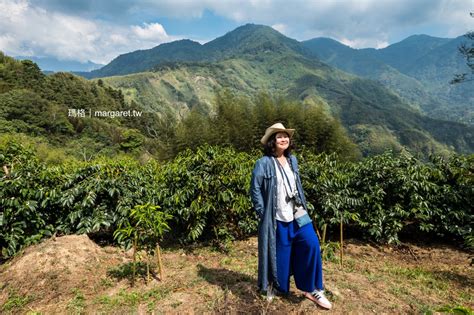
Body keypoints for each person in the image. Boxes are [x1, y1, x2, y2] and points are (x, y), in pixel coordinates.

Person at [250, 122, 332, 310]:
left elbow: (297, 186)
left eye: (285, 136)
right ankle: (273, 286)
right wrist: (263, 213)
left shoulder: (292, 160)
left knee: (312, 245)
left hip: (298, 214)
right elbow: (255, 189)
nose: (283, 139)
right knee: (279, 255)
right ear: (272, 141)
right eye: (279, 136)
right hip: (277, 217)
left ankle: (312, 289)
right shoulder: (263, 163)